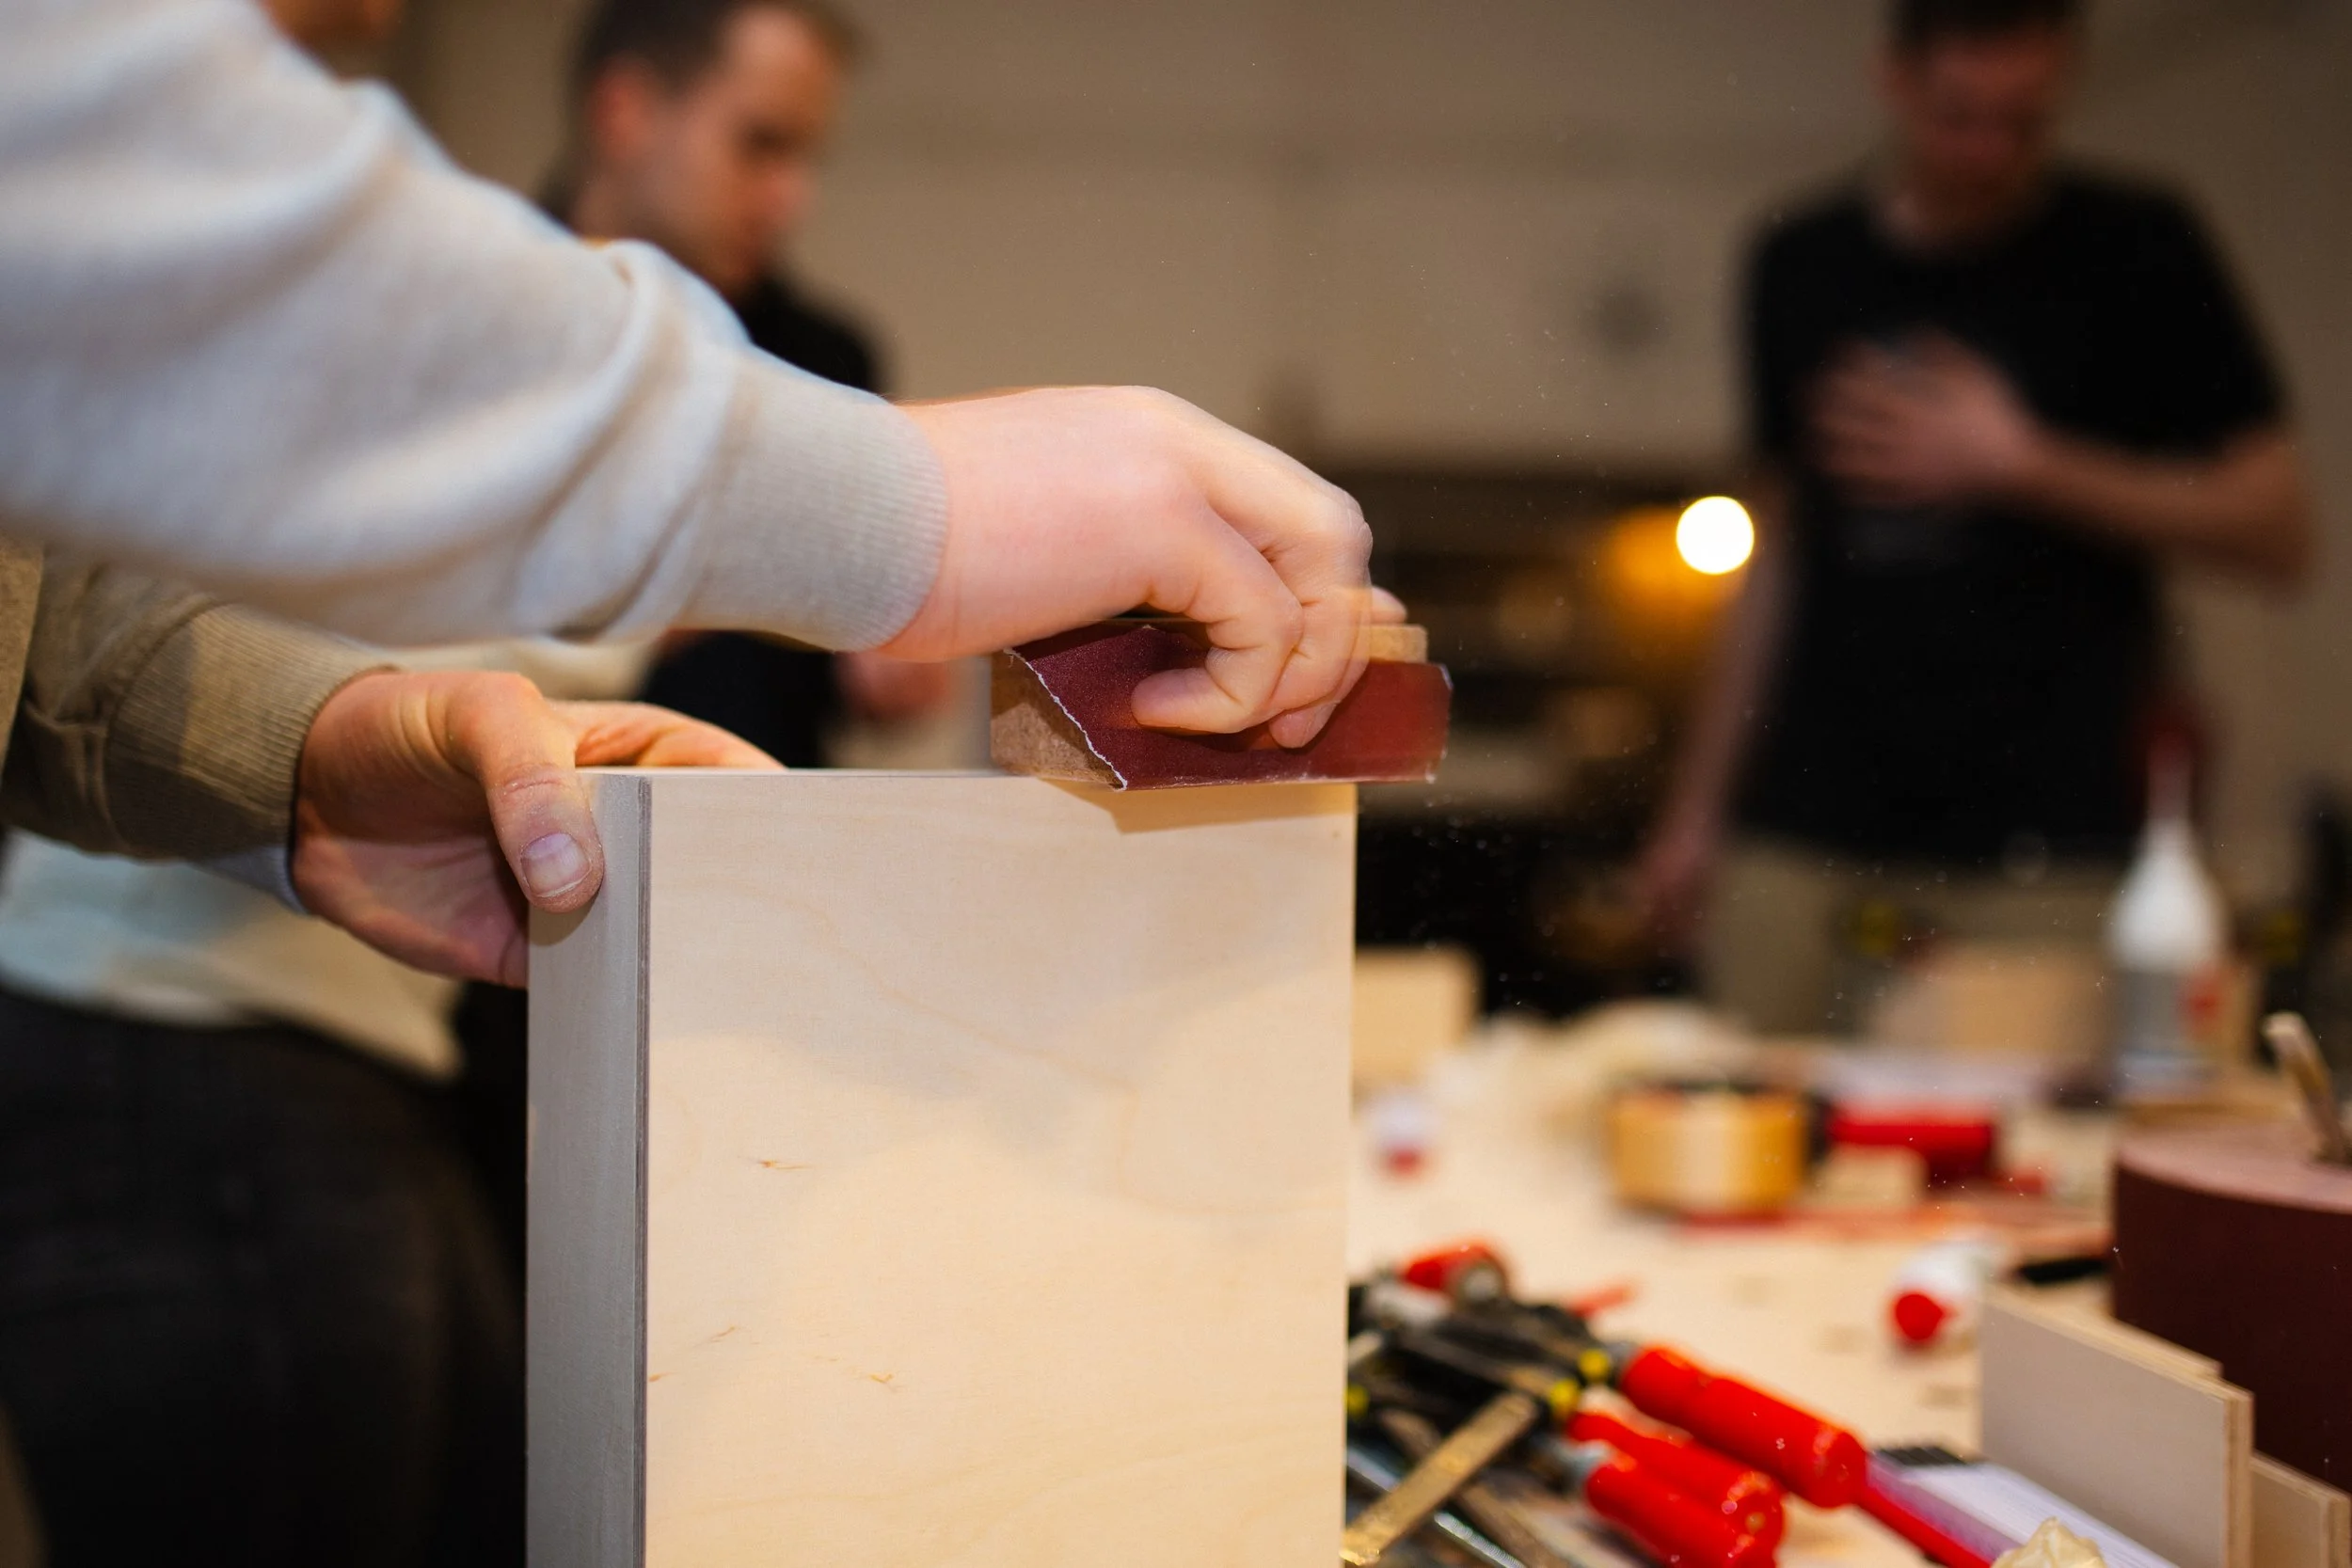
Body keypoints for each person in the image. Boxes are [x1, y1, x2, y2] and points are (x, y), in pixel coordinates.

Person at [1634, 0, 2313, 1034]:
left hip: (2048, 836)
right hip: (1808, 818)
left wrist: (2023, 464)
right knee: (1749, 1139)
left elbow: (2280, 529)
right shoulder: (1800, 260)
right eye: (1960, 115)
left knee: (2034, 1169)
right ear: (1893, 81)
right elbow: (1776, 556)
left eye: (2024, 120)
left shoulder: (2137, 248)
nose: (1990, 150)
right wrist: (1695, 813)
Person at [556, 0, 951, 765]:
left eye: (807, 157)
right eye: (761, 144)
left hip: (777, 850)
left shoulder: (830, 358)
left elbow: (819, 679)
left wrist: (895, 661)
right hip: (526, 842)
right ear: (625, 111)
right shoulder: (482, 330)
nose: (792, 198)